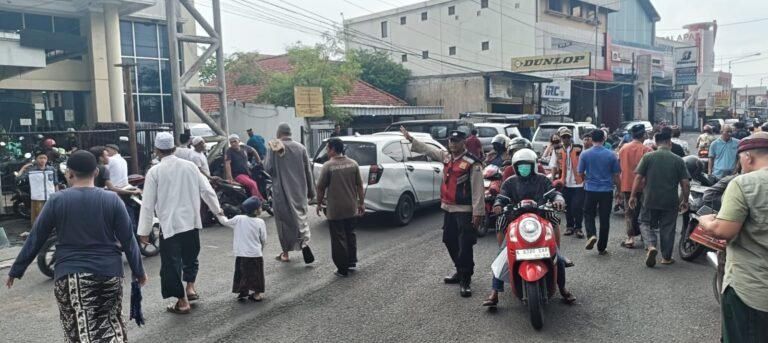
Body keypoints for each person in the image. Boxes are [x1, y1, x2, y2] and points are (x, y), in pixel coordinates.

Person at [6, 150, 147, 342]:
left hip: (71, 275)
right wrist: (139, 271)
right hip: (110, 274)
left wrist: (17, 269)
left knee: (77, 330)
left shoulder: (57, 200)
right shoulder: (112, 200)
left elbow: (36, 237)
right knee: (109, 323)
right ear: (96, 173)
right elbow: (129, 240)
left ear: (69, 173)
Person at [137, 132, 222, 315]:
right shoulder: (190, 166)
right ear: (174, 148)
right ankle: (190, 287)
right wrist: (218, 211)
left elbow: (147, 204)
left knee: (171, 263)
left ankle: (182, 301)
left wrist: (144, 230)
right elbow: (207, 190)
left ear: (157, 150)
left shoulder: (155, 172)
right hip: (191, 222)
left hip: (170, 226)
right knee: (191, 256)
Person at [482, 149, 575, 307]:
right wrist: (498, 205)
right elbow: (502, 197)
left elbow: (554, 194)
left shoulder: (543, 180)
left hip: (540, 215)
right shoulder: (510, 182)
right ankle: (495, 292)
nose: (523, 168)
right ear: (515, 166)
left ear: (533, 165)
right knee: (501, 256)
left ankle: (563, 287)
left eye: (527, 165)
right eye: (520, 166)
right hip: (515, 218)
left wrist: (559, 199)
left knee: (556, 256)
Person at [698, 133, 768, 342]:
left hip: (752, 289)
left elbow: (723, 230)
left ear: (747, 158)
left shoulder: (744, 183)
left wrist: (705, 221)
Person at [401, 127, 483, 297]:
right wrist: (411, 139)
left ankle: (465, 280)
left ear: (463, 143)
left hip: (465, 210)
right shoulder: (446, 156)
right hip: (448, 208)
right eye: (450, 141)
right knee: (448, 240)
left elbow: (478, 189)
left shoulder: (472, 162)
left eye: (456, 141)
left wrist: (478, 213)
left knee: (465, 245)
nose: (452, 144)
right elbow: (429, 150)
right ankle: (460, 270)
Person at [629, 130, 690, 267]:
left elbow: (638, 177)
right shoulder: (678, 160)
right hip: (670, 200)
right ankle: (666, 257)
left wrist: (633, 195)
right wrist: (685, 200)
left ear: (656, 143)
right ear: (670, 143)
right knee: (667, 227)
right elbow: (685, 183)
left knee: (644, 222)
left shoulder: (648, 157)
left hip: (649, 198)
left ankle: (650, 245)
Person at [264, 123, 316, 263]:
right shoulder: (301, 148)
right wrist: (311, 191)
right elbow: (308, 172)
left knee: (283, 223)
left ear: (279, 133)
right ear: (290, 133)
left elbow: (268, 168)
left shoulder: (274, 146)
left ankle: (285, 253)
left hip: (281, 192)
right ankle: (304, 243)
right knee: (300, 219)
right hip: (299, 191)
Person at [315, 138, 365, 277]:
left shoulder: (328, 166)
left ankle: (342, 268)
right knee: (350, 234)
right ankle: (351, 262)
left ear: (332, 149)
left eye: (327, 148)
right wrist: (361, 203)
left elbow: (320, 187)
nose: (326, 151)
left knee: (338, 239)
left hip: (336, 209)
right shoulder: (353, 164)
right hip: (351, 207)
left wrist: (319, 204)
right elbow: (359, 185)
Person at [578, 130, 621, 255]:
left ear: (591, 139)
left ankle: (591, 235)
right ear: (604, 139)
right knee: (604, 219)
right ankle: (602, 247)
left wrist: (586, 180)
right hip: (606, 190)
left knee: (588, 214)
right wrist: (619, 190)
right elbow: (616, 175)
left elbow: (580, 172)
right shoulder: (611, 154)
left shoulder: (585, 154)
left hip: (590, 189)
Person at [216, 197, 267, 302]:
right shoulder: (260, 222)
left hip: (241, 253)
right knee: (256, 274)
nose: (261, 209)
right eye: (260, 207)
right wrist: (261, 248)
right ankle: (256, 294)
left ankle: (243, 291)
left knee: (242, 272)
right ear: (256, 210)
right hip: (255, 253)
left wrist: (220, 215)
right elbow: (263, 238)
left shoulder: (239, 219)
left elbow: (225, 222)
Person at [617, 124, 652, 248]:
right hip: (643, 186)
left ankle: (630, 238)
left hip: (626, 185)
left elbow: (618, 167)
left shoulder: (623, 148)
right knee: (643, 211)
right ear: (643, 135)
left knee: (629, 212)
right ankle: (644, 235)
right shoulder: (647, 150)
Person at [549, 128, 586, 238]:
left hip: (578, 182)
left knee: (577, 206)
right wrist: (552, 180)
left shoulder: (579, 148)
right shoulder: (557, 150)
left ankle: (578, 228)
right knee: (567, 206)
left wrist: (586, 176)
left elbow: (584, 163)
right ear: (560, 138)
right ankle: (569, 227)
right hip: (564, 182)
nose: (566, 139)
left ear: (571, 138)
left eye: (568, 137)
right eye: (563, 137)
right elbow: (554, 165)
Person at [18, 150, 58, 225]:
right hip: (37, 198)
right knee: (38, 219)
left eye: (44, 158)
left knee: (51, 217)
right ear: (36, 159)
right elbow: (18, 178)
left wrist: (57, 195)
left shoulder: (51, 169)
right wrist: (24, 167)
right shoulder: (31, 170)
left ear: (47, 159)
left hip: (50, 197)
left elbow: (55, 183)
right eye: (40, 158)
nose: (43, 160)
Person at [225, 134, 263, 199]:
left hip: (248, 173)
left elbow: (253, 150)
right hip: (238, 175)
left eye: (235, 141)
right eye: (231, 142)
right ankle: (258, 201)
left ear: (239, 141)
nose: (233, 144)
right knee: (252, 184)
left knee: (260, 181)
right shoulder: (229, 151)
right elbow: (227, 163)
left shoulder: (244, 147)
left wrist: (259, 161)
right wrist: (230, 177)